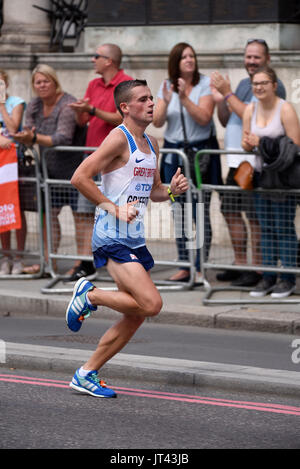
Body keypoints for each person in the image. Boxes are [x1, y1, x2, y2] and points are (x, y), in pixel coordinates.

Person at [65, 79, 189, 398]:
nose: (151, 103)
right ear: (125, 107)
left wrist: (172, 193)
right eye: (143, 99)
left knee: (135, 316)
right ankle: (90, 295)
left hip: (134, 238)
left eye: (151, 98)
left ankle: (86, 373)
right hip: (110, 236)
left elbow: (154, 192)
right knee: (152, 303)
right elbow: (79, 177)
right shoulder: (118, 139)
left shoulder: (151, 144)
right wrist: (114, 208)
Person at [211, 39, 286, 287]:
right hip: (235, 162)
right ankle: (241, 264)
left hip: (255, 163)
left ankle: (257, 269)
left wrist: (227, 93)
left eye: (256, 57)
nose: (251, 62)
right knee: (230, 210)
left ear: (267, 59)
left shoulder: (275, 86)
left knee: (254, 217)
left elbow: (249, 113)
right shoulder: (243, 83)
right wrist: (223, 98)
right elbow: (225, 119)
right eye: (248, 57)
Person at [153, 42, 222, 283]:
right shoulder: (167, 84)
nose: (189, 60)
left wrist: (183, 98)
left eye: (192, 56)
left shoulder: (204, 84)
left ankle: (200, 266)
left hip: (200, 156)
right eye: (184, 57)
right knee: (178, 210)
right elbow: (159, 122)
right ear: (176, 62)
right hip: (175, 157)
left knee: (200, 212)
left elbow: (204, 118)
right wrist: (166, 98)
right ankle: (184, 264)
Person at [67, 43, 133, 282]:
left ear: (109, 61)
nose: (92, 59)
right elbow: (84, 118)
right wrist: (81, 110)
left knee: (117, 211)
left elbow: (122, 117)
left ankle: (122, 261)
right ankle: (83, 262)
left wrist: (92, 109)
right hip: (92, 156)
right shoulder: (93, 84)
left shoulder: (127, 84)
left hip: (115, 160)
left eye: (97, 56)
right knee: (83, 211)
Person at [12, 64, 82, 275]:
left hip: (75, 170)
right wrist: (30, 135)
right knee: (47, 216)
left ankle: (81, 264)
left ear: (55, 82)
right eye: (38, 82)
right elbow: (27, 127)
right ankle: (48, 262)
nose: (42, 86)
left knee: (80, 218)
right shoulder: (34, 104)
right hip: (48, 170)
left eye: (46, 81)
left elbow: (63, 137)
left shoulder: (67, 104)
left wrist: (33, 138)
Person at [241, 66, 300, 298]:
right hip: (259, 177)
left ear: (274, 85)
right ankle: (267, 277)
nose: (259, 87)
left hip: (282, 179)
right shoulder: (250, 109)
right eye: (255, 84)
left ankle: (287, 278)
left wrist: (261, 141)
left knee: (284, 227)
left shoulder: (285, 108)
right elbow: (246, 142)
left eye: (264, 83)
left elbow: (295, 144)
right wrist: (250, 143)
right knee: (265, 229)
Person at [0, 69, 27, 275]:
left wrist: (1, 104)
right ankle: (6, 255)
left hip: (13, 163)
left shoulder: (15, 102)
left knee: (15, 207)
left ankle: (18, 257)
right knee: (2, 210)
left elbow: (13, 128)